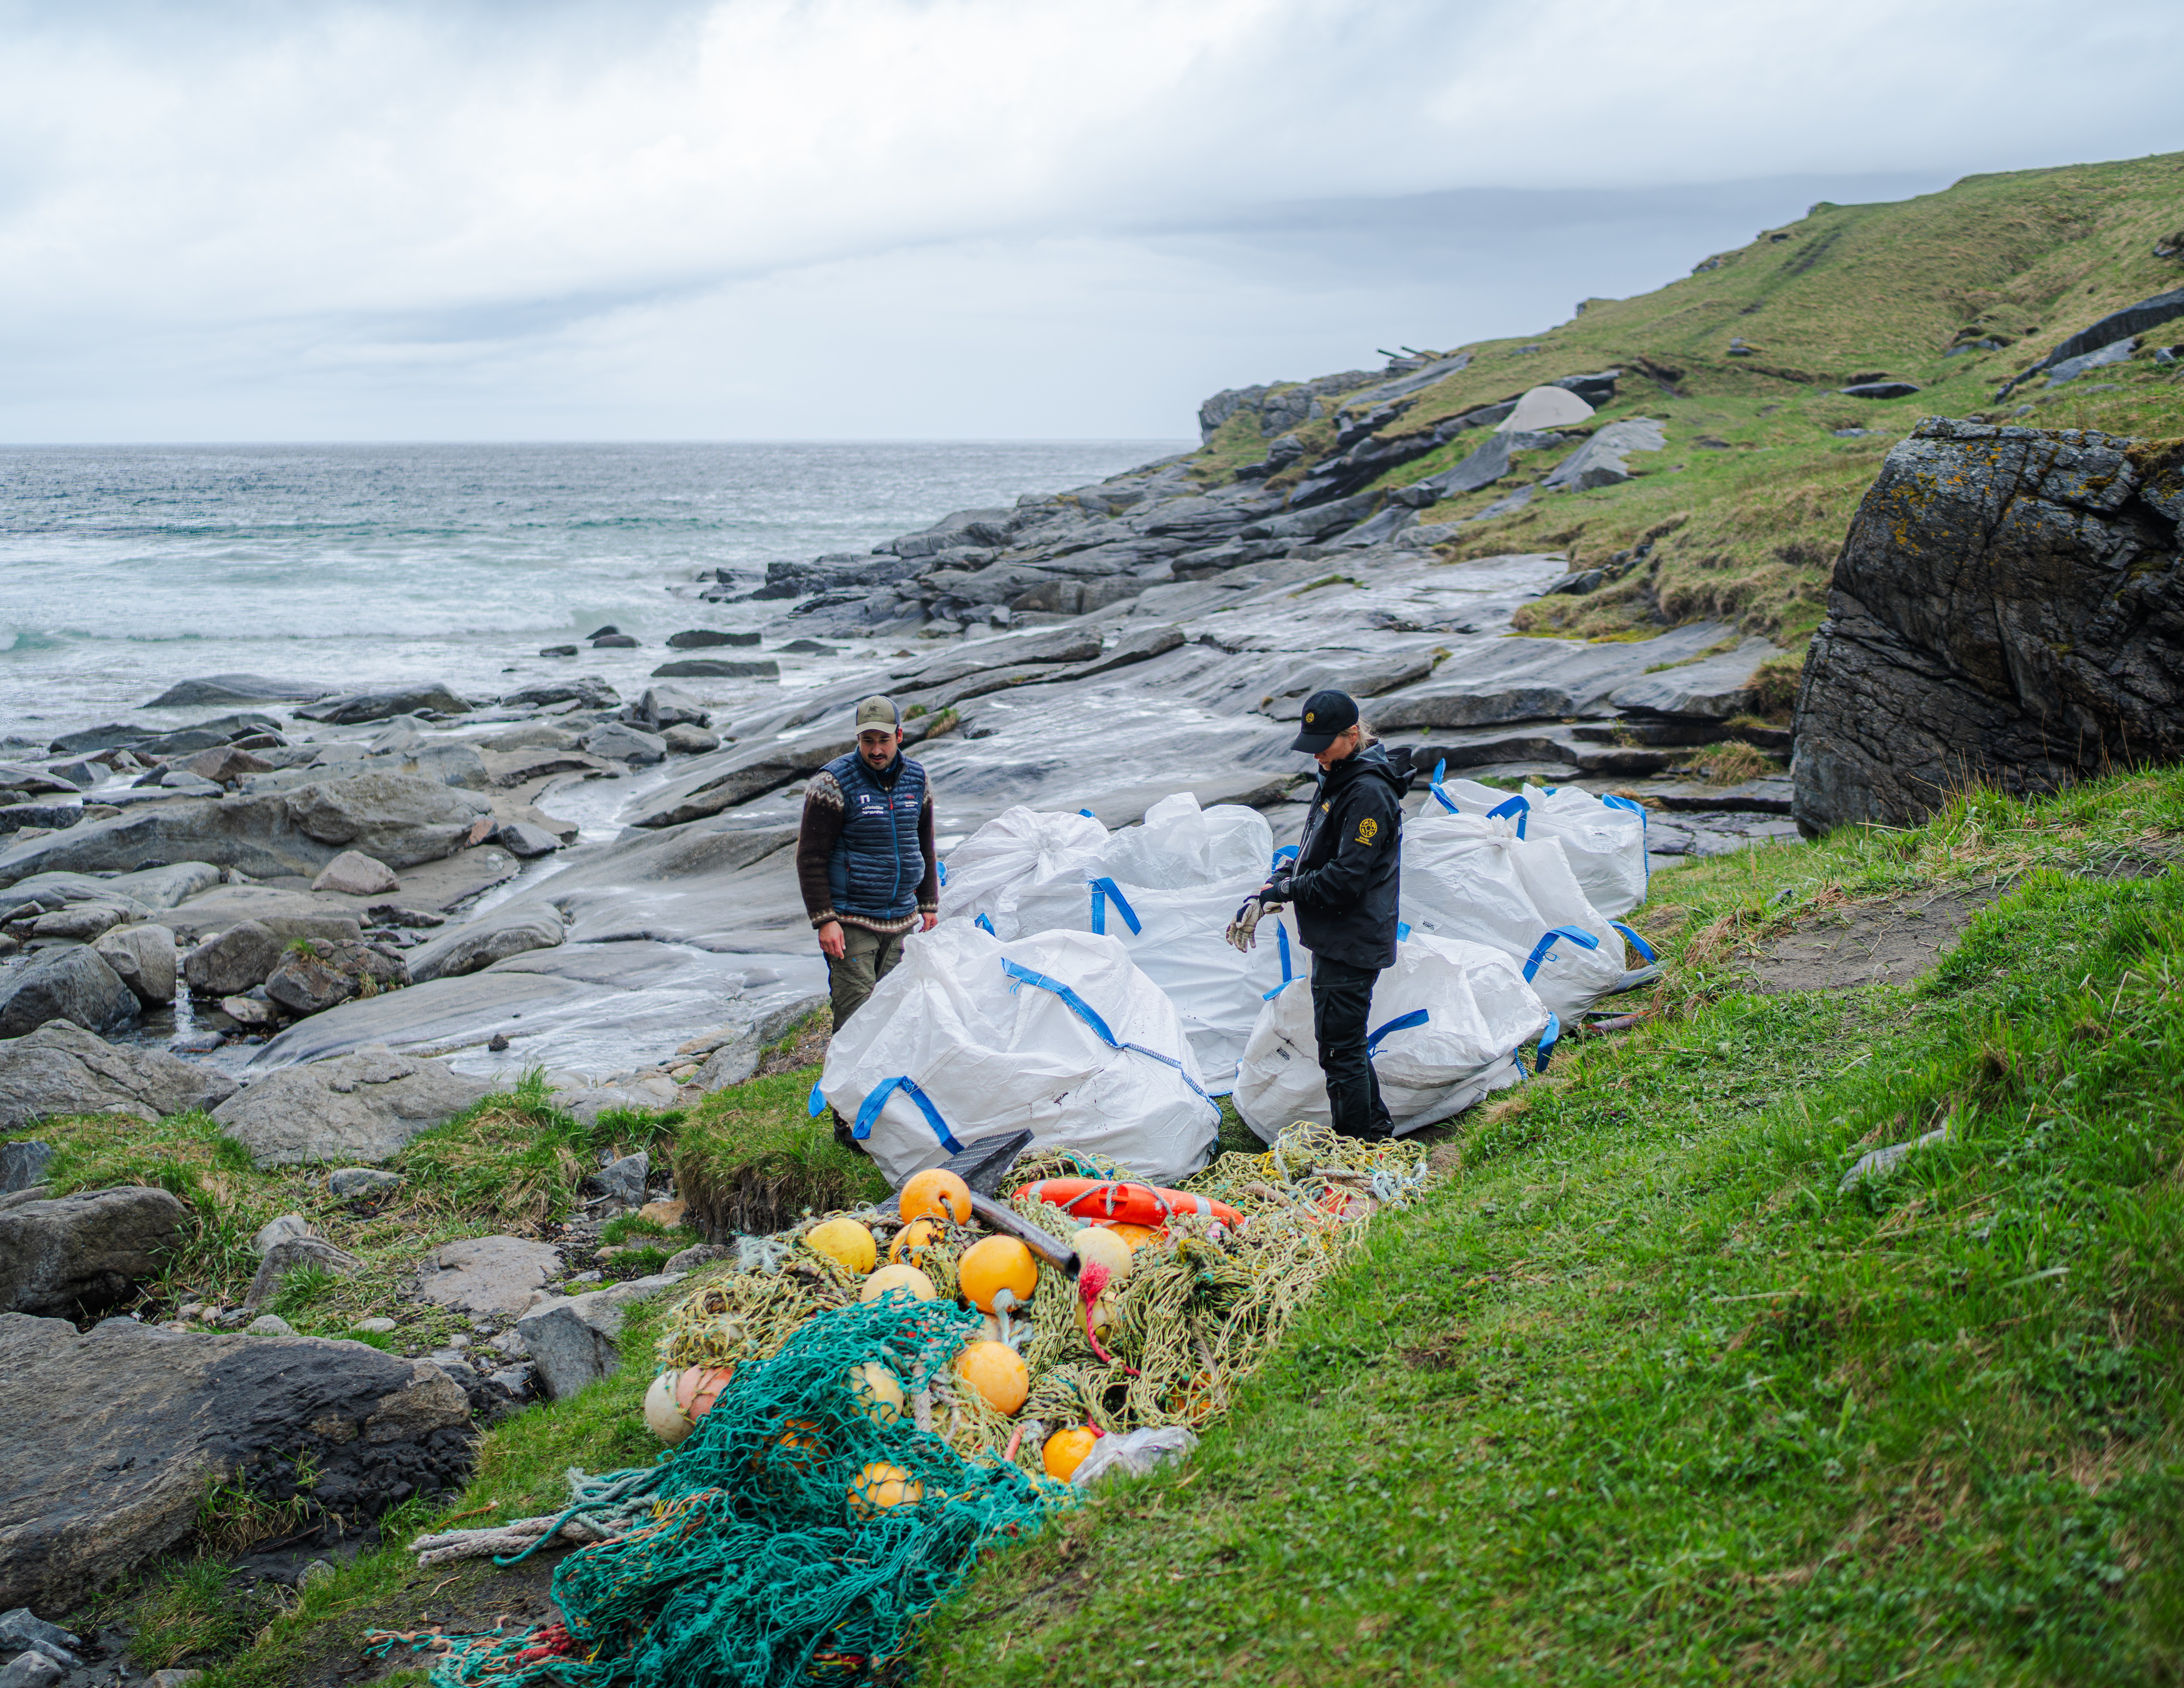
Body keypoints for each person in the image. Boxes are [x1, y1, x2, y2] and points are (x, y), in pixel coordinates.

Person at [1232, 688, 1405, 1140]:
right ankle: (1376, 1131)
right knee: (1341, 1046)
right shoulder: (1339, 775)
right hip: (1335, 936)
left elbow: (1346, 878)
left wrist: (1285, 890)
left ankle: (1357, 1148)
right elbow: (1317, 851)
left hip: (1352, 938)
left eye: (1324, 747)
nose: (1318, 757)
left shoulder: (1367, 791)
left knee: (1340, 1050)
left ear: (1352, 735)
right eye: (1312, 748)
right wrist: (1274, 882)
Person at [796, 696, 939, 1147]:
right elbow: (810, 857)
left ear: (899, 736)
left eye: (883, 739)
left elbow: (925, 842)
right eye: (867, 740)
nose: (875, 749)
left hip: (901, 918)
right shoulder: (832, 783)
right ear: (856, 738)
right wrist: (825, 920)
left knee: (895, 1021)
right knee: (856, 1021)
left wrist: (929, 903)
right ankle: (847, 1125)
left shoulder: (917, 778)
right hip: (851, 921)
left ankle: (887, 1117)